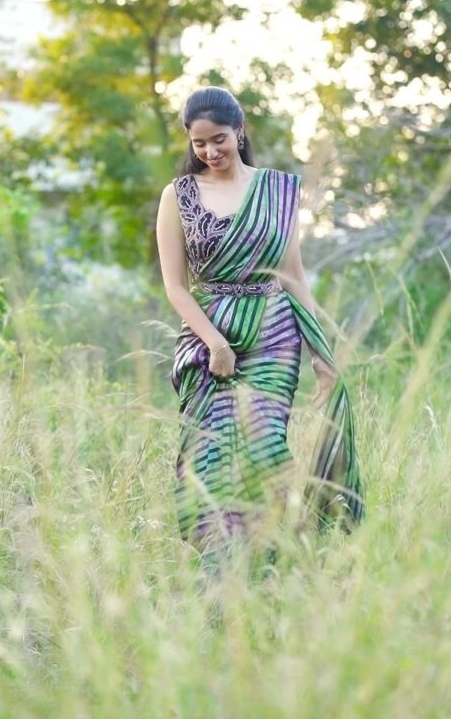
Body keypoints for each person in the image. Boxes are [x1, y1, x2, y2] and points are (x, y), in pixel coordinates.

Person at [156, 86, 364, 557]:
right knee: (208, 454)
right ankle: (220, 564)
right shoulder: (179, 196)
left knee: (265, 447)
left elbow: (292, 275)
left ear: (240, 131)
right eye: (199, 143)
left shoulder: (276, 190)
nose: (211, 151)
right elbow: (175, 285)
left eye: (220, 139)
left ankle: (273, 556)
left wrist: (322, 357)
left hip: (273, 334)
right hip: (208, 339)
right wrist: (215, 343)